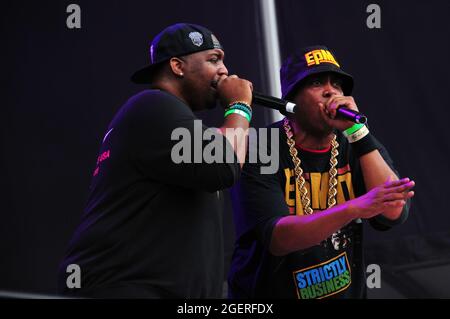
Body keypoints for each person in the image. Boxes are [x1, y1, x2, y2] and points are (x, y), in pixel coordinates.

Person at [57, 23, 254, 298]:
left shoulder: (171, 124)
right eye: (213, 59)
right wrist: (240, 106)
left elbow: (224, 153)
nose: (224, 70)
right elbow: (224, 164)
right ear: (177, 66)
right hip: (126, 288)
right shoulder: (153, 106)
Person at [228, 45, 415, 299]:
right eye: (317, 82)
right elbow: (278, 238)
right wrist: (354, 208)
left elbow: (394, 212)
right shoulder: (262, 148)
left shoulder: (354, 142)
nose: (331, 91)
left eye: (337, 84)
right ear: (292, 101)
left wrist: (359, 132)